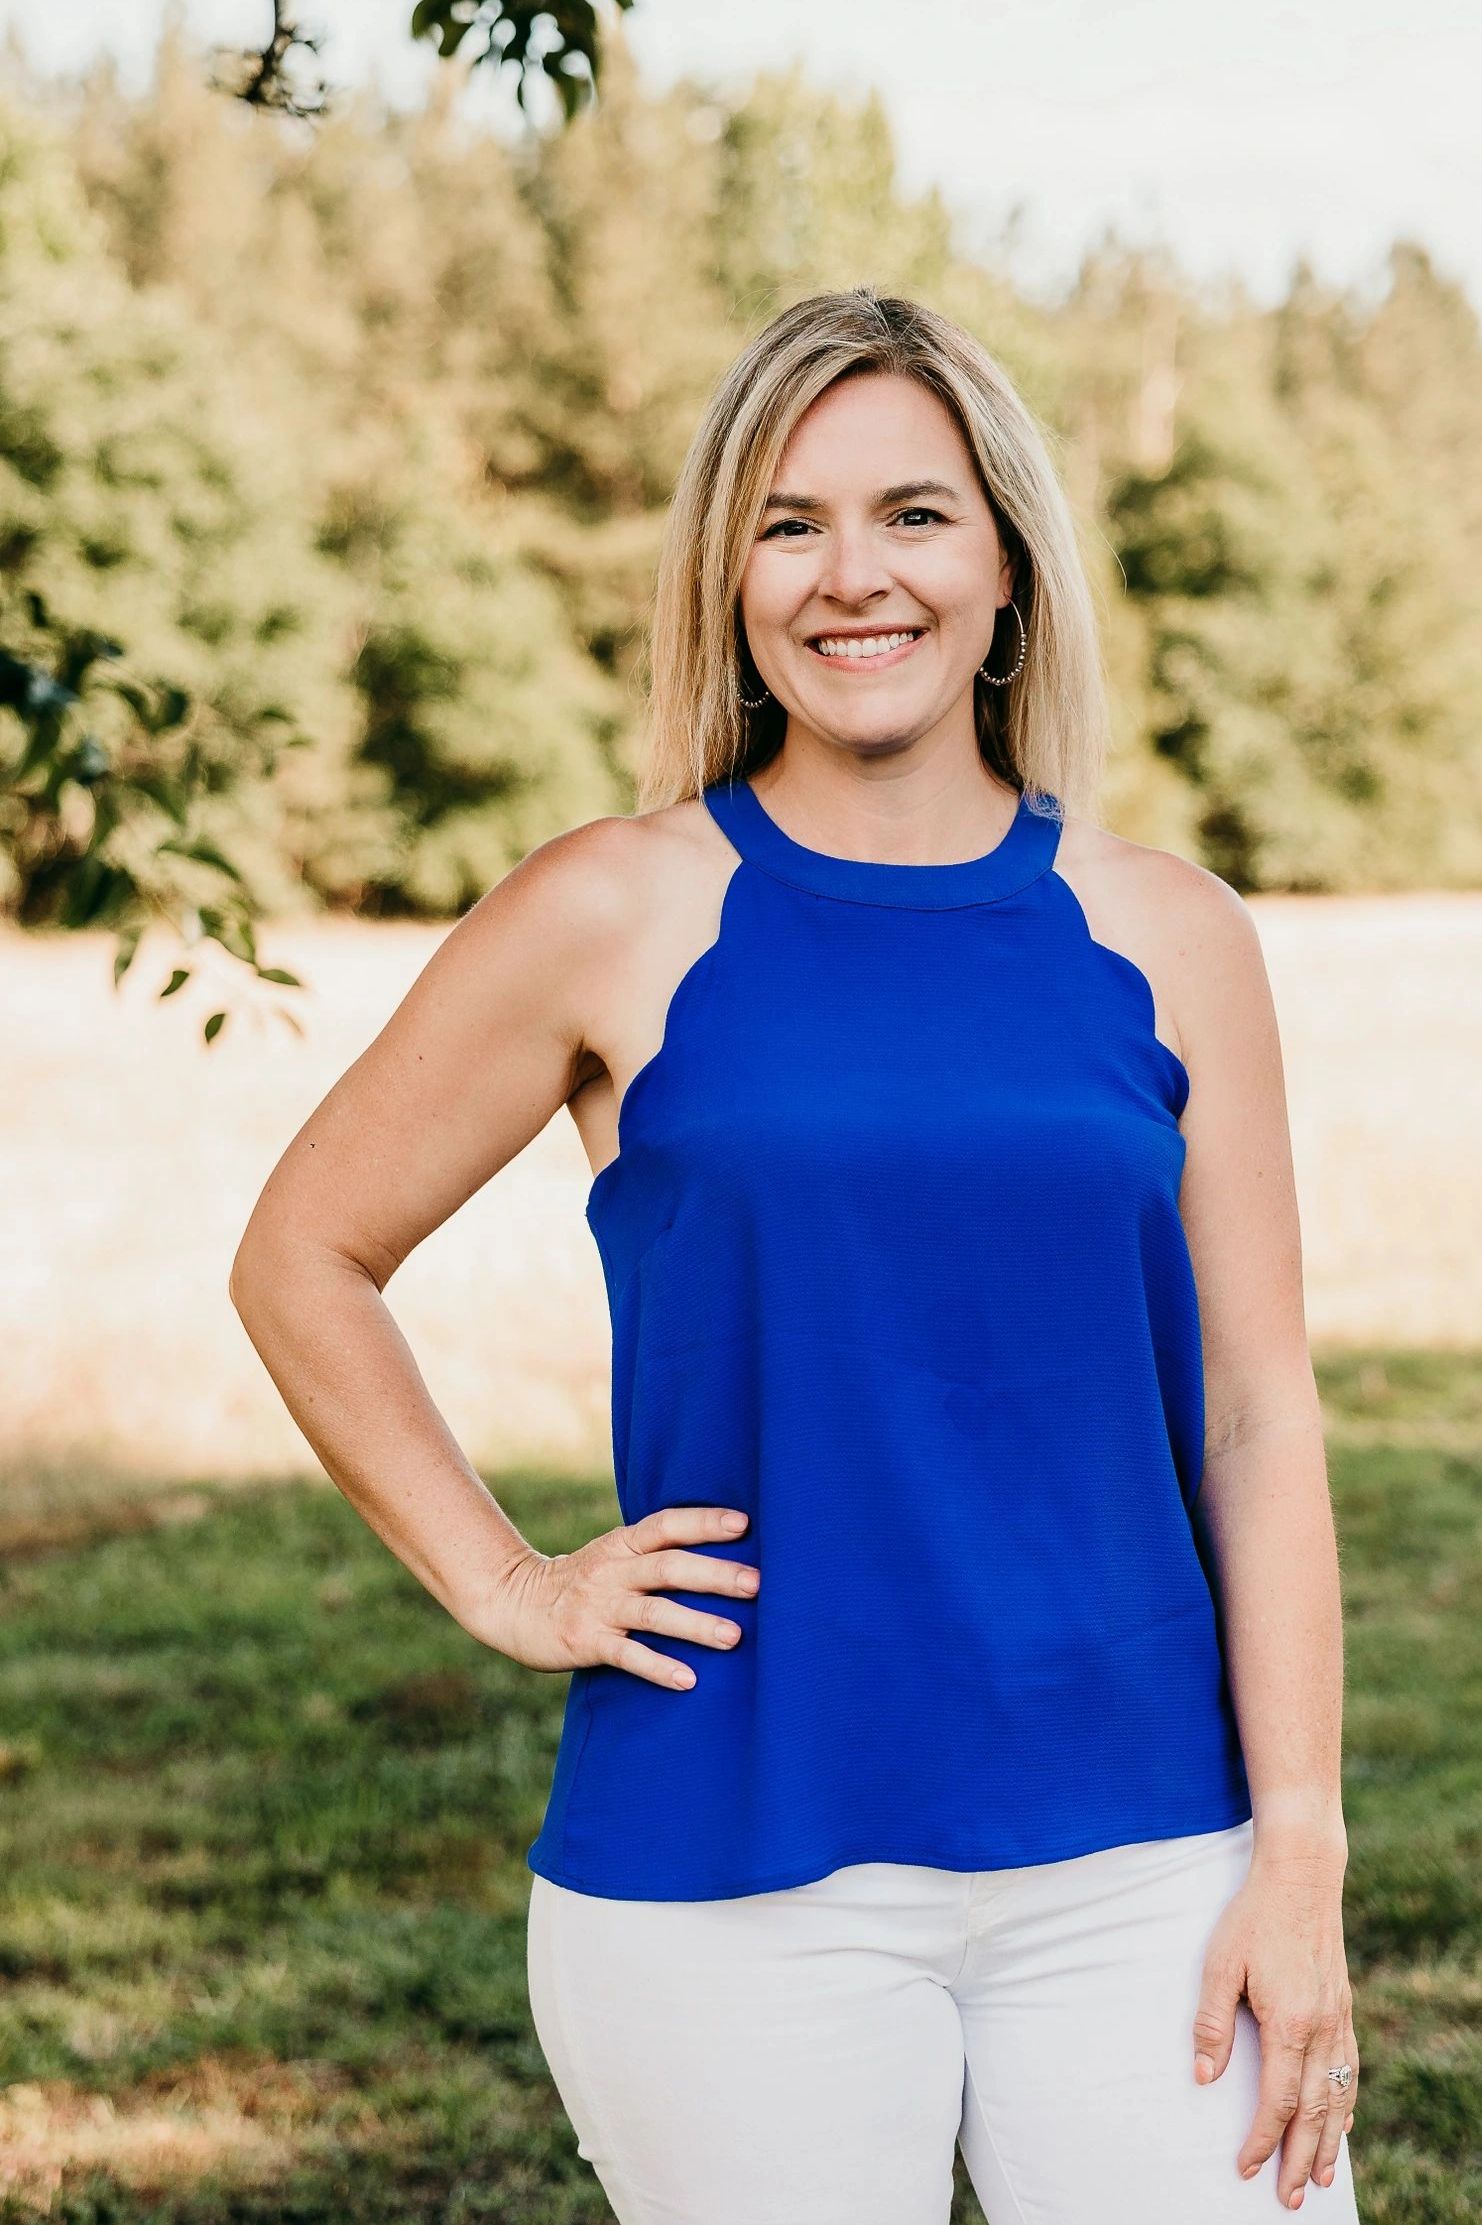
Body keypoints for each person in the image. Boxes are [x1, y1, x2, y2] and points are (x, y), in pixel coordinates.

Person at [230, 286, 1363, 2224]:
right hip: (723, 1867)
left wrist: (1304, 1852)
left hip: (1151, 1857)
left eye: (915, 515)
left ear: (1006, 563)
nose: (857, 576)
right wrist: (507, 1583)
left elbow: (1261, 1420)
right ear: (726, 578)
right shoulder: (617, 907)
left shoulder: (1170, 933)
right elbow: (302, 1255)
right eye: (789, 521)